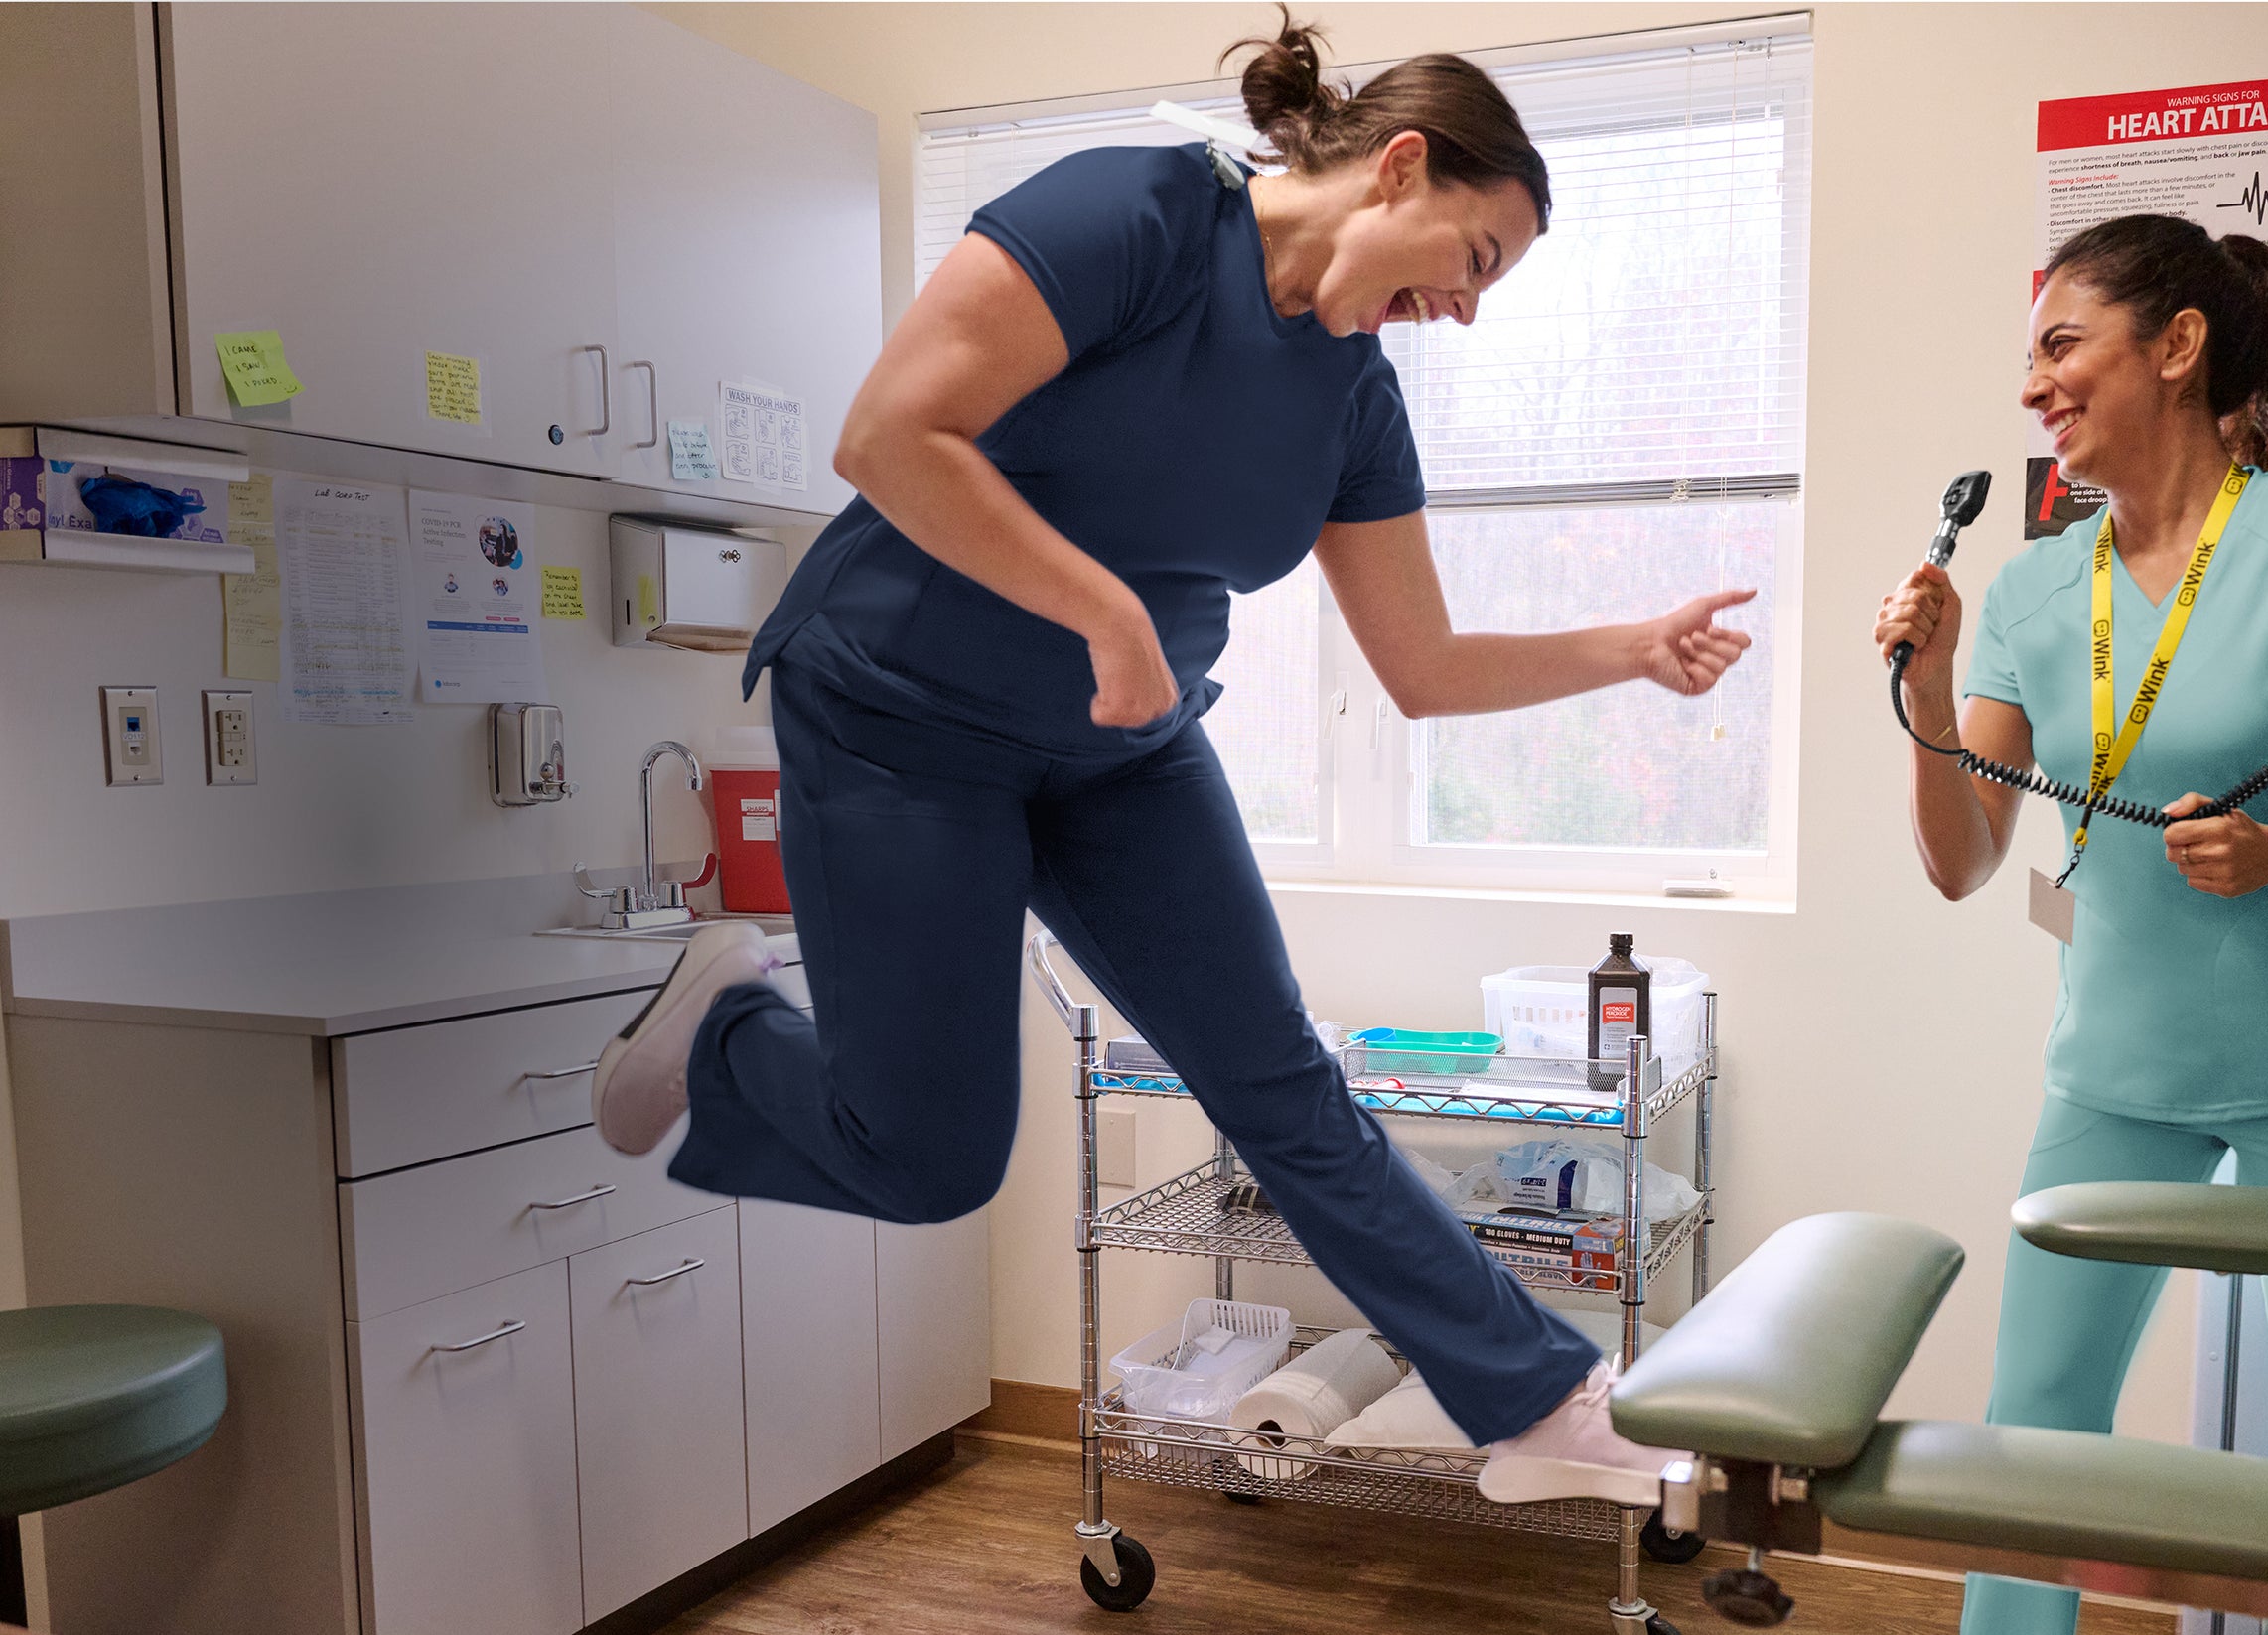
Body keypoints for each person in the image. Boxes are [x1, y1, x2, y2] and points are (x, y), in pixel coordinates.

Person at [588, 14, 1756, 1506]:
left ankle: (1531, 1405)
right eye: (1475, 259)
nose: (1466, 308)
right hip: (895, 717)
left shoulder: (1355, 396)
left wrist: (1630, 649)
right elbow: (888, 435)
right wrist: (1103, 610)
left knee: (1286, 1087)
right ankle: (726, 1033)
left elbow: (1423, 667)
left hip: (1118, 753)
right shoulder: (1131, 217)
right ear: (1400, 170)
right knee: (932, 1161)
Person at [1873, 213, 2268, 1635]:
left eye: (2059, 345)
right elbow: (1965, 858)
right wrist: (1927, 703)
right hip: (2119, 1072)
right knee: (2029, 1436)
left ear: (2175, 348)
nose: (2033, 385)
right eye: (2027, 358)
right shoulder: (2038, 585)